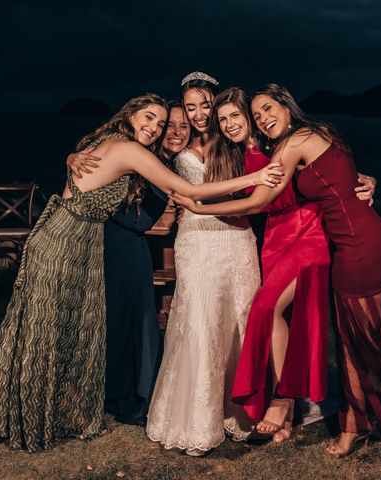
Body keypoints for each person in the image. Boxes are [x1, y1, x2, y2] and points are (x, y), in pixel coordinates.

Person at [169, 84, 381, 457]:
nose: (247, 120)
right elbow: (329, 175)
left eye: (251, 113)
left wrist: (199, 207)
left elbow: (266, 198)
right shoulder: (259, 148)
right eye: (228, 117)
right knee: (345, 340)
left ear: (283, 106)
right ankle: (342, 424)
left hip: (325, 238)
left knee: (288, 315)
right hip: (298, 241)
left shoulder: (294, 142)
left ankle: (284, 401)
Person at [0, 93, 283, 452]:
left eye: (160, 123)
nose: (154, 127)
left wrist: (71, 155)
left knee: (64, 331)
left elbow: (83, 163)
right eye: (148, 118)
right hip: (61, 239)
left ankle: (53, 411)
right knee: (31, 327)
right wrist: (258, 175)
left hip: (83, 240)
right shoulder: (129, 150)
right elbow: (189, 190)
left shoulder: (104, 140)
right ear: (130, 113)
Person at [205, 87, 375, 444]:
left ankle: (282, 400)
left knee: (266, 307)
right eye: (223, 120)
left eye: (236, 116)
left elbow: (332, 171)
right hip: (274, 241)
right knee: (282, 319)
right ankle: (290, 408)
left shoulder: (283, 143)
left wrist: (367, 181)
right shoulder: (244, 151)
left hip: (308, 232)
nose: (230, 124)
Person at [146, 72, 260, 456]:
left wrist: (358, 177)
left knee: (240, 319)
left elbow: (288, 160)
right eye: (190, 106)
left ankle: (240, 412)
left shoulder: (237, 141)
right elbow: (135, 150)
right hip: (197, 241)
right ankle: (196, 418)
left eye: (204, 105)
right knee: (200, 321)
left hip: (237, 238)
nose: (197, 114)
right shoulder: (176, 145)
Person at [66, 100, 191, 426]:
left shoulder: (174, 166)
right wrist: (71, 157)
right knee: (110, 321)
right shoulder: (135, 152)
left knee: (139, 321)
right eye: (168, 125)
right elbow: (91, 166)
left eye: (183, 126)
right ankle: (110, 394)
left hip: (132, 247)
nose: (174, 132)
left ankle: (136, 396)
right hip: (106, 241)